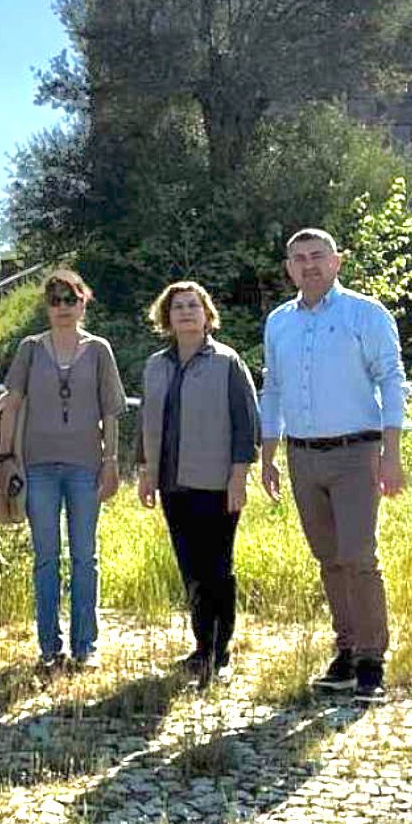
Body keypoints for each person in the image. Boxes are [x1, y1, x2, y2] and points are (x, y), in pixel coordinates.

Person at [259, 229, 408, 702]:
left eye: (318, 256)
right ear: (288, 269)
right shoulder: (279, 322)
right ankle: (344, 653)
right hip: (302, 455)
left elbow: (392, 380)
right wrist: (268, 454)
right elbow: (274, 390)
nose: (309, 265)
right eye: (299, 259)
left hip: (356, 452)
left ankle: (370, 661)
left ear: (337, 261)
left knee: (360, 558)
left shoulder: (365, 314)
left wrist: (391, 454)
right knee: (328, 559)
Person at [0, 268, 127, 671]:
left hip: (86, 466)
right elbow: (12, 402)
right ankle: (49, 647)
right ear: (47, 307)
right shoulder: (30, 349)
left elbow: (112, 411)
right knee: (47, 557)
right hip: (38, 466)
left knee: (85, 556)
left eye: (71, 299)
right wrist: (3, 456)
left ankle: (85, 645)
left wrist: (111, 463)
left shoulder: (100, 349)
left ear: (84, 302)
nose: (63, 307)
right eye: (55, 300)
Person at [136, 281, 259, 687]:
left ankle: (219, 653)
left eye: (193, 305)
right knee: (190, 568)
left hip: (217, 483)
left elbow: (246, 426)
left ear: (207, 314)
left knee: (217, 569)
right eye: (177, 307)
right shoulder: (156, 365)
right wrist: (145, 473)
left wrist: (238, 477)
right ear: (166, 317)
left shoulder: (227, 362)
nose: (186, 312)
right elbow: (146, 423)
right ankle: (201, 646)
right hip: (172, 485)